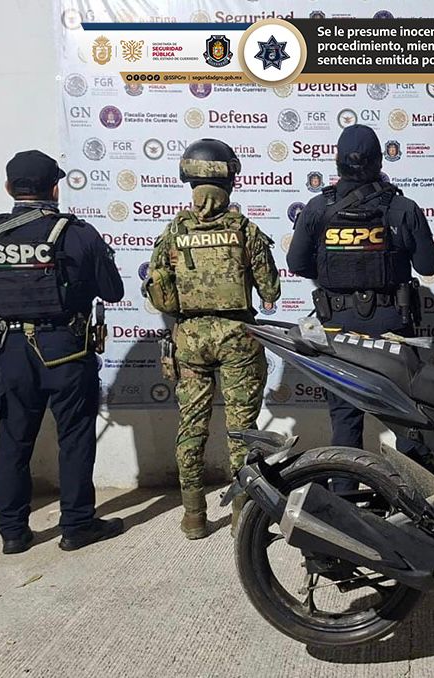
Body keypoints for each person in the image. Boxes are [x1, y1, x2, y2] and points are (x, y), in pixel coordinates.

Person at [0, 150, 125, 553]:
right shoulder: (78, 233)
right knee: (75, 438)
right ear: (55, 189)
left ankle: (13, 532)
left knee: (14, 441)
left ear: (8, 188)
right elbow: (113, 291)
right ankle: (76, 526)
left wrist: (3, 313)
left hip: (14, 350)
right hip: (67, 349)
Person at [144, 138, 280, 539]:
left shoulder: (173, 232)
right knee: (242, 431)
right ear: (230, 180)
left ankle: (193, 517)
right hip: (238, 339)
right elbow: (270, 291)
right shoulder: (246, 231)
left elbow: (158, 291)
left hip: (189, 340)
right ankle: (242, 517)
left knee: (191, 428)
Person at [288, 124, 434, 456]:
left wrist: (333, 274)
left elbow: (297, 262)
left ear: (337, 161)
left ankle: (345, 487)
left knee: (345, 421)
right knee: (408, 419)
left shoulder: (317, 208)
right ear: (379, 161)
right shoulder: (402, 208)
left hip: (337, 328)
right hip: (392, 328)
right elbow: (429, 264)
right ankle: (416, 488)